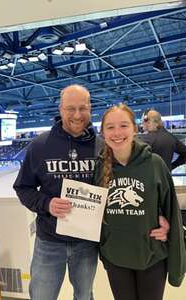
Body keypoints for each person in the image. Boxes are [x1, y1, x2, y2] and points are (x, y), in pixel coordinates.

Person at [13, 85, 169, 300]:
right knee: (41, 296)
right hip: (49, 241)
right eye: (70, 108)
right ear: (60, 109)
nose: (77, 115)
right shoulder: (40, 146)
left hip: (87, 242)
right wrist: (47, 204)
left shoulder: (104, 147)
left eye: (82, 108)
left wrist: (158, 215)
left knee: (84, 295)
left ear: (90, 109)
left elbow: (134, 181)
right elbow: (22, 188)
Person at [93, 103, 186, 300]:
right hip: (116, 258)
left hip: (151, 257)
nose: (117, 132)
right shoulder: (99, 168)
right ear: (102, 132)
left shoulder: (155, 164)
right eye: (110, 127)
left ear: (135, 129)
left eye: (124, 125)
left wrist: (167, 227)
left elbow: (172, 214)